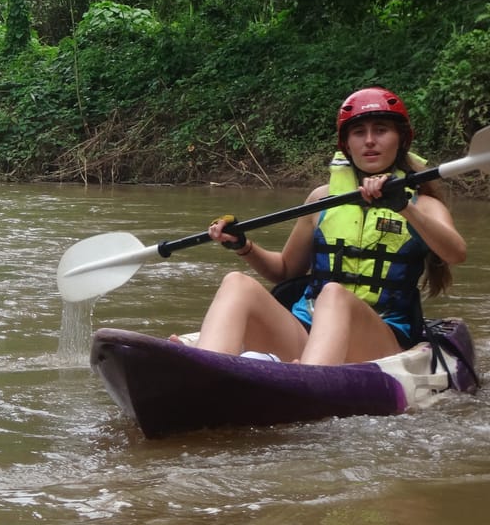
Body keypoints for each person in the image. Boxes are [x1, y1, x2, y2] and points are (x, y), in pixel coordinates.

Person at [184, 87, 465, 365]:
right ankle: (205, 369)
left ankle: (306, 383)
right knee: (237, 283)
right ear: (346, 144)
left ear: (401, 139)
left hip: (381, 341)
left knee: (334, 294)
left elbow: (455, 253)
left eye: (380, 130)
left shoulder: (422, 205)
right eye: (358, 133)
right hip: (309, 330)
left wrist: (403, 206)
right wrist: (244, 246)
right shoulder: (321, 199)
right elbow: (284, 271)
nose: (369, 141)